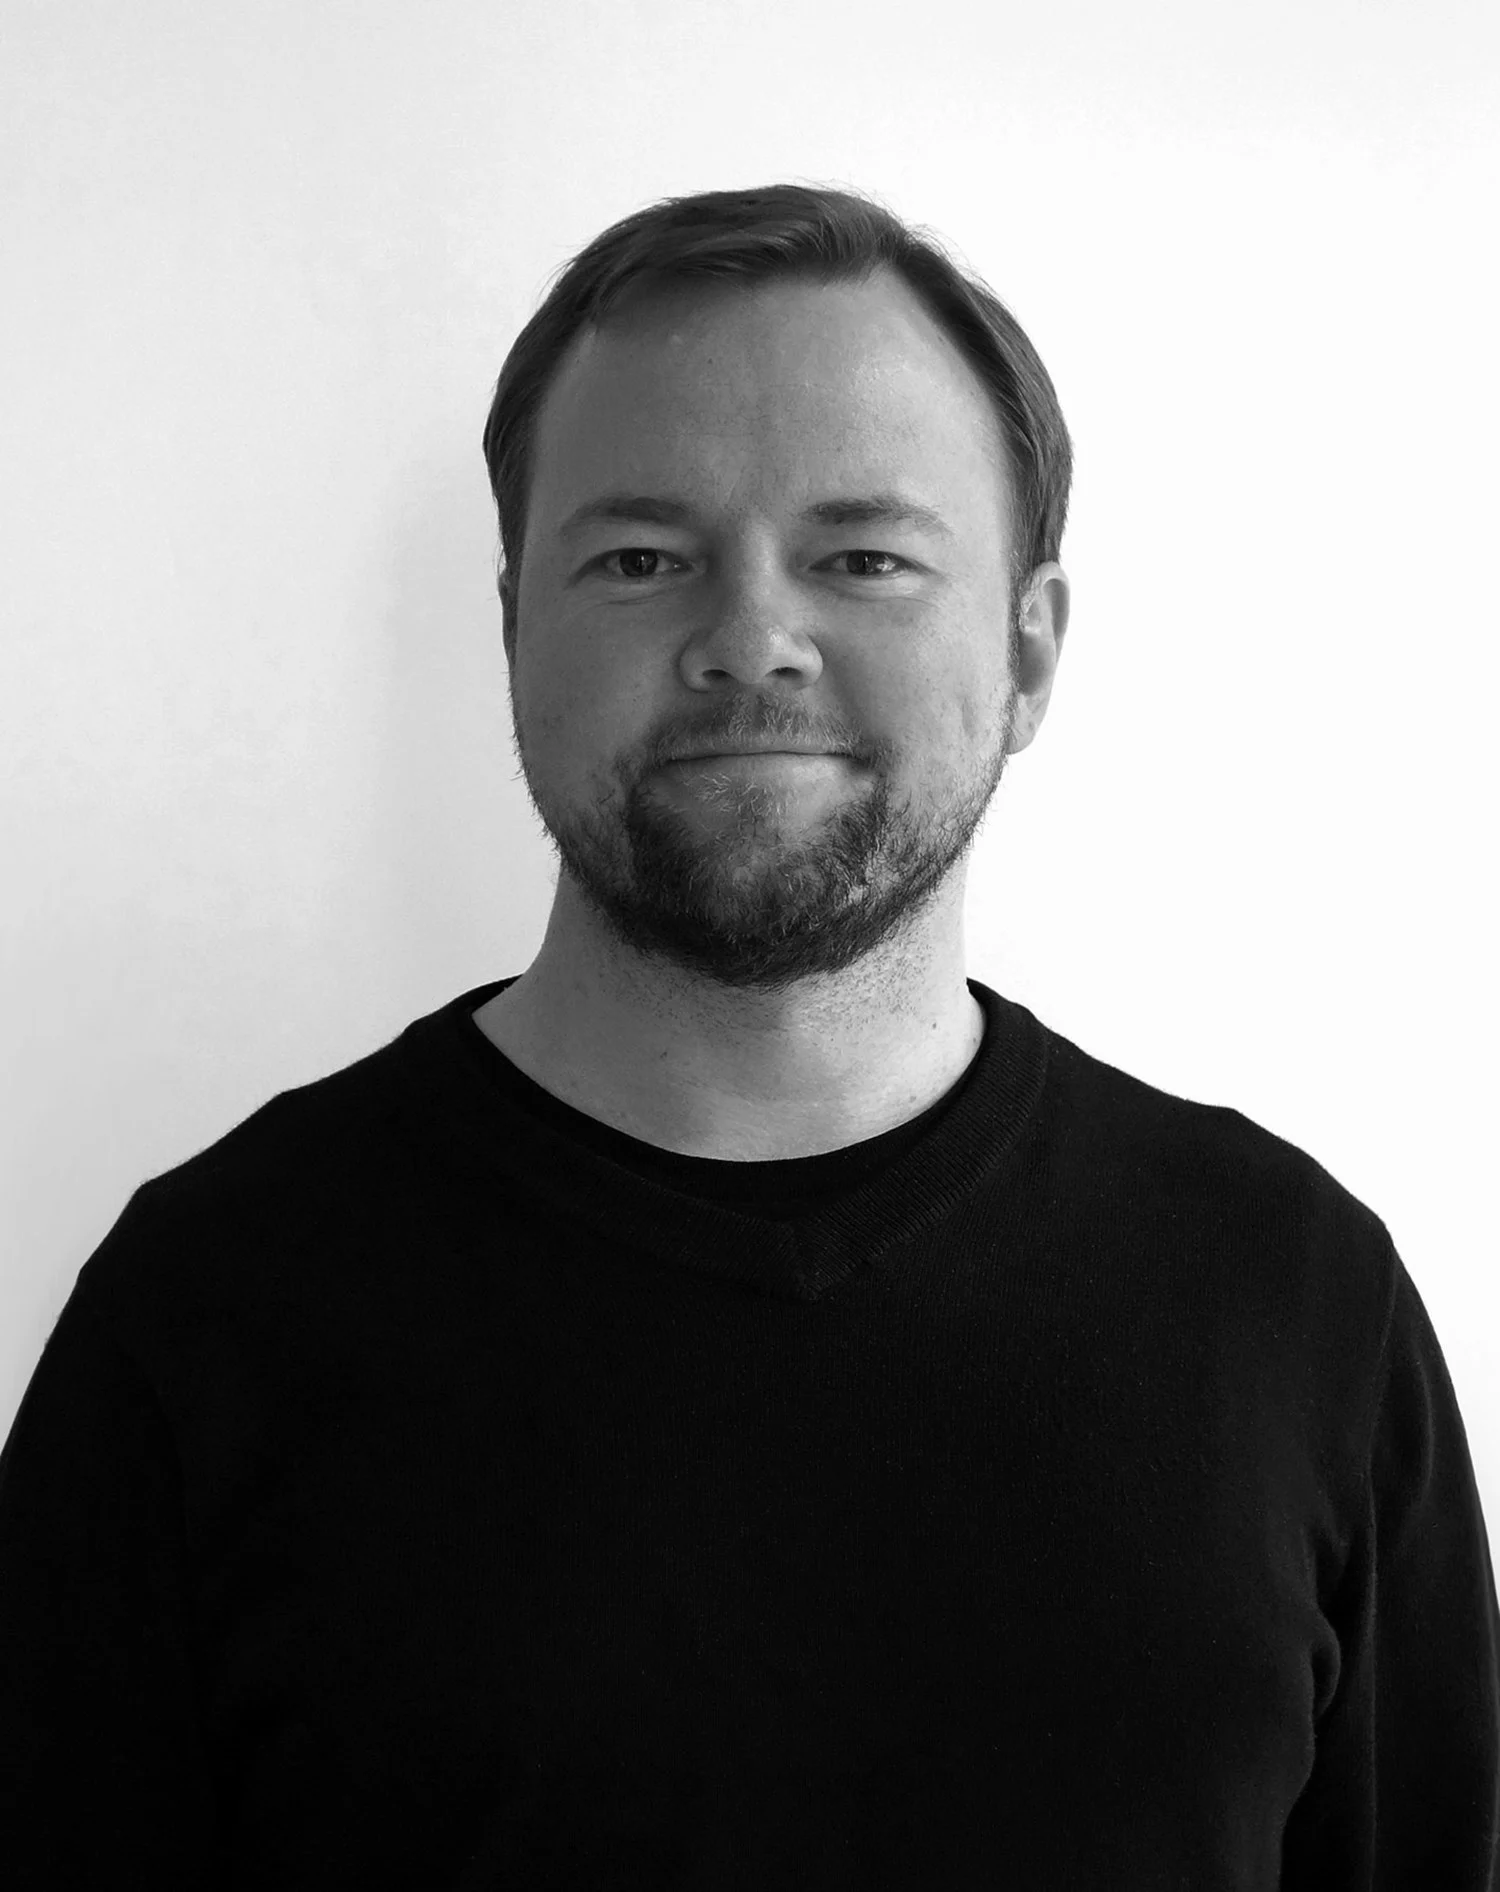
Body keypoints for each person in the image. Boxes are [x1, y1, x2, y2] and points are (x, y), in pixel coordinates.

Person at [1, 181, 1496, 1889]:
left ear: (1029, 651)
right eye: (642, 559)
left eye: (864, 557)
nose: (749, 644)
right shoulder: (209, 1311)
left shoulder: (1293, 1302)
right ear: (513, 629)